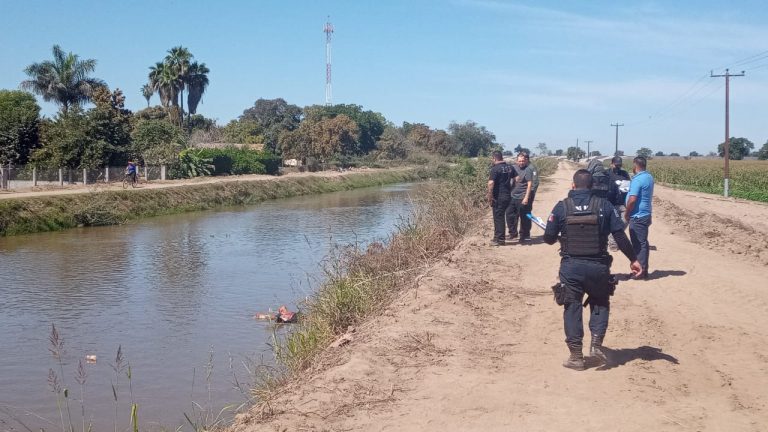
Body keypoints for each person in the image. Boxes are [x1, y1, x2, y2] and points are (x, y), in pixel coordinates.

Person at [544, 169, 642, 370]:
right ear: (592, 186)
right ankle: (596, 344)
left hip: (571, 267)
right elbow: (619, 236)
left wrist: (558, 235)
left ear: (573, 185)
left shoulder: (562, 207)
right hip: (598, 267)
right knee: (600, 302)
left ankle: (576, 357)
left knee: (572, 307)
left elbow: (548, 238)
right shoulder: (604, 205)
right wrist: (634, 259)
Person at [624, 156, 654, 278]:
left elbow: (632, 199)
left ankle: (640, 272)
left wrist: (627, 213)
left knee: (638, 244)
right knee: (642, 242)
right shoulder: (649, 177)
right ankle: (643, 270)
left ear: (635, 165)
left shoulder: (637, 179)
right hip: (645, 213)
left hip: (637, 215)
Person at [486, 151, 513, 246]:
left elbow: (491, 183)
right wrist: (510, 188)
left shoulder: (495, 169)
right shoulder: (510, 167)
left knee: (498, 218)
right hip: (508, 195)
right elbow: (517, 179)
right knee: (499, 216)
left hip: (498, 196)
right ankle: (496, 237)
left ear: (494, 158)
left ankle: (500, 240)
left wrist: (490, 195)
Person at [506, 152, 534, 243]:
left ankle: (525, 235)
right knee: (510, 215)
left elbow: (529, 184)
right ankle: (513, 233)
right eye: (519, 161)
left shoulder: (528, 170)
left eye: (523, 161)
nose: (521, 163)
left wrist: (526, 197)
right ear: (516, 161)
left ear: (525, 161)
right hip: (512, 196)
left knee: (525, 217)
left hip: (522, 196)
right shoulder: (513, 168)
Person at [607, 156, 631, 250]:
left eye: (619, 165)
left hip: (622, 203)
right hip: (610, 203)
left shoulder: (624, 174)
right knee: (611, 223)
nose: (618, 167)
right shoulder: (607, 174)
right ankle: (612, 243)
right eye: (616, 165)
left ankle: (612, 238)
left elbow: (627, 188)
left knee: (626, 219)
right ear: (611, 164)